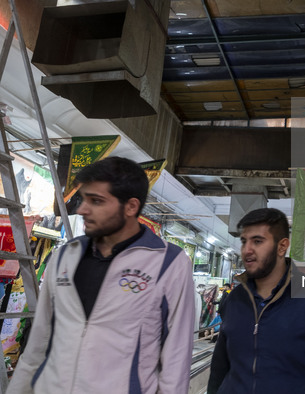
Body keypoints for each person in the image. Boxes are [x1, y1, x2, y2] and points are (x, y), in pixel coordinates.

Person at [8, 157, 195, 394]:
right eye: (84, 199)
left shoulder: (168, 264)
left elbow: (176, 359)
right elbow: (37, 344)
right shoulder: (65, 256)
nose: (83, 209)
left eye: (96, 201)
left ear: (131, 207)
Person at [207, 208, 305, 394]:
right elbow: (220, 364)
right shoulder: (236, 299)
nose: (247, 250)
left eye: (257, 241)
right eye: (244, 241)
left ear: (282, 246)